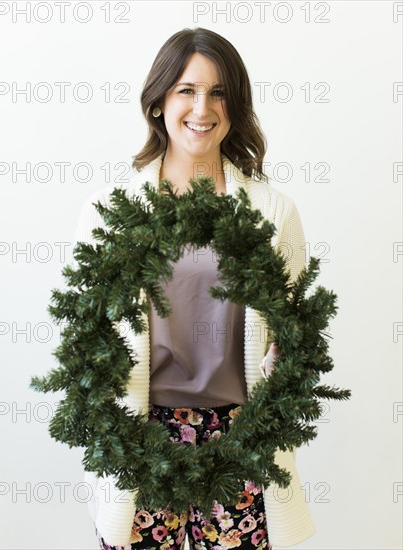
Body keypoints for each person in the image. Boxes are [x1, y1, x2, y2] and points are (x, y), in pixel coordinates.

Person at [75, 27, 315, 550]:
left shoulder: (273, 213)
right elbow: (85, 331)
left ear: (235, 105)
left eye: (218, 92)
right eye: (186, 89)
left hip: (240, 439)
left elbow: (297, 326)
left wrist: (288, 361)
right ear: (159, 101)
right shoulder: (112, 212)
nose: (202, 107)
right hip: (142, 436)